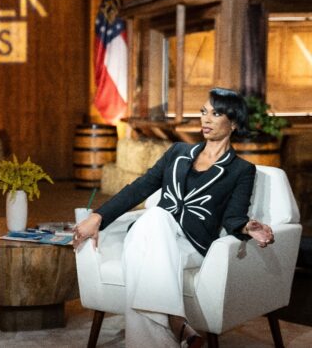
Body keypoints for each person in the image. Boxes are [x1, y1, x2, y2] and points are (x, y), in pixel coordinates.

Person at [73, 87, 275, 348]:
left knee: (140, 252)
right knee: (156, 216)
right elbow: (140, 187)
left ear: (234, 122)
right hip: (153, 232)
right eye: (204, 112)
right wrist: (99, 216)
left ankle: (168, 328)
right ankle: (176, 322)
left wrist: (248, 227)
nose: (206, 119)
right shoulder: (177, 152)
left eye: (216, 113)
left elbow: (234, 216)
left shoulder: (241, 170)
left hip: (192, 244)